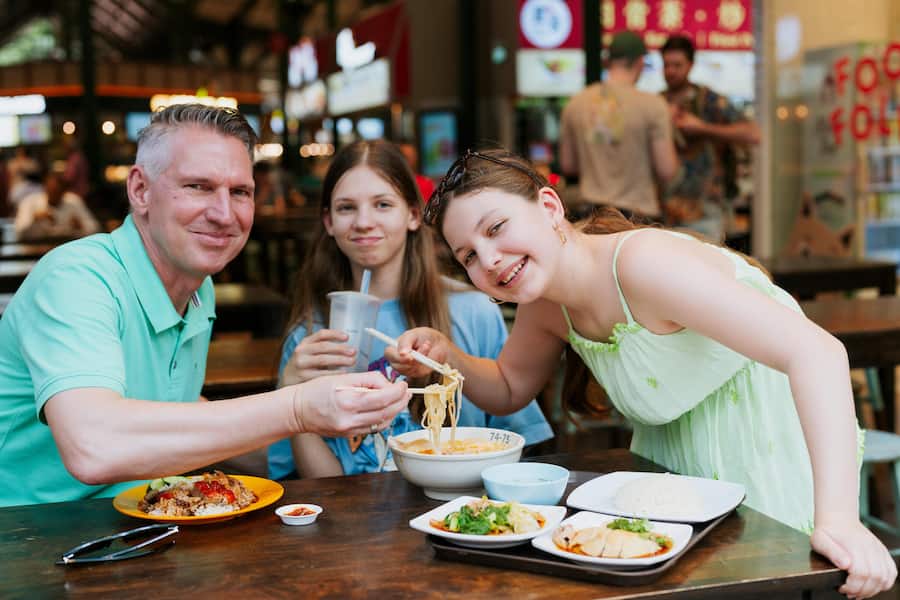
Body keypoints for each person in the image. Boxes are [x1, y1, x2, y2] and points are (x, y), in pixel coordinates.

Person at [387, 149, 896, 600]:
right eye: (469, 256)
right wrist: (446, 353)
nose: (491, 260)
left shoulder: (643, 264)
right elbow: (508, 386)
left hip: (770, 454)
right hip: (678, 483)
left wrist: (840, 520)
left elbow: (819, 353)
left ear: (548, 207)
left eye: (496, 228)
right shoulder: (545, 300)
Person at [0, 104, 410, 507]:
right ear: (140, 190)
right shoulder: (76, 279)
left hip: (143, 529)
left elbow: (176, 410)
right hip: (30, 542)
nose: (223, 214)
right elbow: (94, 446)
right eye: (198, 186)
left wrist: (357, 455)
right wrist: (297, 407)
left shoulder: (200, 288)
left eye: (240, 192)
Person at [272, 140, 553, 479]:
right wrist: (292, 397)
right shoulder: (310, 337)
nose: (364, 221)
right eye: (346, 208)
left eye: (383, 204)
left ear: (413, 215)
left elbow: (516, 443)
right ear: (329, 222)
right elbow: (322, 487)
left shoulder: (472, 311)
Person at [559, 31, 678, 222]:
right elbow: (666, 170)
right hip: (637, 217)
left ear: (608, 61)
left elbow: (568, 165)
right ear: (639, 62)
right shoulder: (653, 105)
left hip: (590, 216)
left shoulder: (576, 103)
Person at [660, 35, 760, 240]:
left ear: (690, 65)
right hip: (664, 212)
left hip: (707, 210)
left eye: (677, 65)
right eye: (666, 65)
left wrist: (702, 128)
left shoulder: (710, 101)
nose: (670, 71)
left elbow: (753, 133)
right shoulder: (656, 104)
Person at [14, 170, 101, 241]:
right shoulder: (29, 202)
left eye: (57, 192)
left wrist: (81, 225)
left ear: (64, 192)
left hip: (67, 246)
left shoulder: (73, 201)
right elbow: (19, 232)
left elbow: (95, 228)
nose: (54, 194)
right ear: (45, 189)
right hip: (35, 246)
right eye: (51, 190)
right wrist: (35, 218)